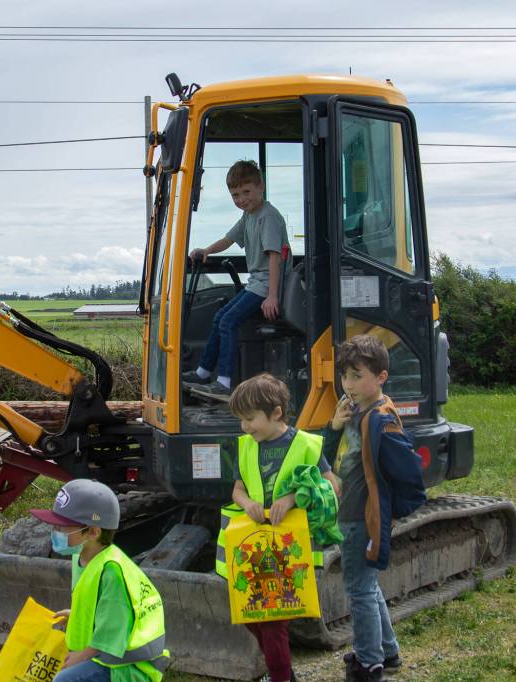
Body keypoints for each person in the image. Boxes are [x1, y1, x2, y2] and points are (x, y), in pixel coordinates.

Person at [215, 373, 339, 682]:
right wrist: (247, 505)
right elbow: (238, 490)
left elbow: (331, 485)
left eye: (250, 419)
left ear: (276, 413)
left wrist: (295, 497)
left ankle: (281, 676)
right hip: (253, 544)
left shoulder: (306, 445)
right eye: (240, 420)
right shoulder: (246, 447)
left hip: (287, 546)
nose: (244, 426)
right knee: (252, 615)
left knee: (272, 620)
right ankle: (281, 671)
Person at [321, 335, 427, 682]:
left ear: (381, 377)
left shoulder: (381, 419)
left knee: (359, 590)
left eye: (356, 376)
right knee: (368, 585)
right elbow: (329, 456)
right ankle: (388, 652)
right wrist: (334, 426)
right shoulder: (353, 409)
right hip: (347, 511)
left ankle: (369, 665)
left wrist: (391, 510)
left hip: (360, 517)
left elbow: (409, 473)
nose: (348, 384)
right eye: (344, 376)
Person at [30, 479, 169, 682]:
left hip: (127, 666)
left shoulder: (112, 570)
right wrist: (76, 615)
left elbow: (112, 632)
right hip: (109, 657)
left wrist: (79, 658)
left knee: (64, 680)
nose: (55, 533)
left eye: (62, 528)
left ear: (93, 532)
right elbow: (101, 607)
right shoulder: (82, 557)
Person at [182, 159, 289, 399]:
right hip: (257, 283)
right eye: (235, 195)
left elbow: (275, 258)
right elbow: (229, 239)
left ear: (260, 187)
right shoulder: (249, 217)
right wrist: (207, 250)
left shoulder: (268, 216)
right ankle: (202, 372)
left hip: (266, 285)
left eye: (246, 192)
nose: (241, 199)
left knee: (228, 321)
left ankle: (224, 381)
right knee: (220, 316)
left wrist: (272, 295)